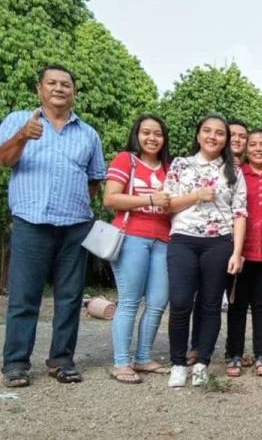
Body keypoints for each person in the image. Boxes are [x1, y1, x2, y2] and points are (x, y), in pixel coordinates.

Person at [0, 64, 105, 387]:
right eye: (52, 83)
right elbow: (4, 159)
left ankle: (61, 359)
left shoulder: (88, 134)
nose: (59, 89)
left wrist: (77, 207)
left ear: (73, 92)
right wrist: (22, 137)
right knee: (23, 296)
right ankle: (16, 362)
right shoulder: (20, 120)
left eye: (66, 84)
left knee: (70, 296)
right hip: (32, 222)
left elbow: (93, 179)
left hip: (74, 226)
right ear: (39, 89)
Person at [164, 115, 247, 387]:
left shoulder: (233, 170)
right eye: (207, 131)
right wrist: (196, 196)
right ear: (198, 135)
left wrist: (236, 252)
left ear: (226, 139)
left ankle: (202, 362)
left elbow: (239, 213)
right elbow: (167, 205)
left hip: (219, 242)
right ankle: (178, 363)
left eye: (220, 133)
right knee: (180, 302)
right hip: (183, 240)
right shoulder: (180, 164)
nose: (213, 136)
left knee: (211, 305)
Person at [103, 115, 172, 384]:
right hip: (132, 237)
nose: (152, 138)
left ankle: (143, 358)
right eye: (146, 132)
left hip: (164, 240)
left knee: (157, 303)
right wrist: (150, 198)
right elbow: (110, 198)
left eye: (158, 133)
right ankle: (121, 362)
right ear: (137, 135)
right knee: (130, 301)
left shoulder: (169, 168)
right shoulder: (126, 160)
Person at [187, 118, 248, 365]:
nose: (237, 139)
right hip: (208, 239)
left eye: (242, 136)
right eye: (231, 134)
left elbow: (241, 210)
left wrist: (239, 249)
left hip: (241, 242)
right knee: (203, 296)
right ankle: (197, 346)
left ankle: (233, 351)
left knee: (235, 300)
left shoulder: (248, 167)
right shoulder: (195, 165)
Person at [225, 129, 262, 377]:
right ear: (246, 149)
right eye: (253, 145)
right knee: (237, 305)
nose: (258, 149)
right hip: (240, 252)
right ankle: (234, 355)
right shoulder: (236, 175)